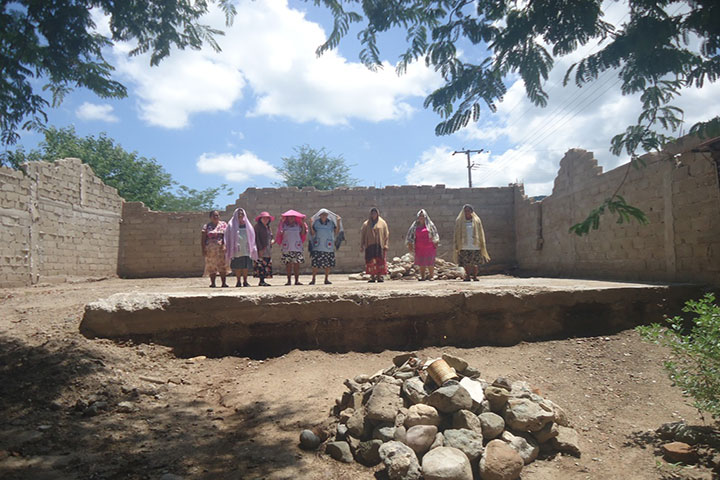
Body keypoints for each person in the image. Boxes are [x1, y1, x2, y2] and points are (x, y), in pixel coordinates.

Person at [453, 204, 491, 281]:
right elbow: (456, 233)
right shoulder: (459, 221)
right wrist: (457, 243)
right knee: (466, 263)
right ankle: (467, 276)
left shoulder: (477, 220)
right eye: (465, 211)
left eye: (469, 210)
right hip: (464, 245)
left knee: (475, 263)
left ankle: (475, 276)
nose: (467, 212)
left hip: (475, 245)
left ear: (472, 211)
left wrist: (481, 243)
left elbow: (481, 232)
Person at [224, 208, 258, 287]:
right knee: (238, 266)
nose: (240, 215)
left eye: (242, 214)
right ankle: (238, 281)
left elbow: (252, 236)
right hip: (236, 249)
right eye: (238, 213)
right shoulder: (231, 225)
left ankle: (245, 281)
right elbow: (227, 236)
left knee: (245, 266)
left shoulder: (247, 225)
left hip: (246, 248)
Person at [309, 208, 342, 285]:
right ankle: (313, 279)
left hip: (328, 247)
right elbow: (313, 233)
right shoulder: (316, 223)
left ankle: (326, 279)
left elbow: (336, 232)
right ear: (319, 215)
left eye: (325, 215)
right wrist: (310, 224)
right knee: (315, 264)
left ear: (327, 215)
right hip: (318, 246)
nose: (324, 216)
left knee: (328, 265)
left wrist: (338, 222)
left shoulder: (331, 223)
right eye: (322, 215)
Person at [275, 210, 308, 285]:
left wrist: (303, 224)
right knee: (288, 265)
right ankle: (289, 280)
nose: (291, 218)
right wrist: (281, 223)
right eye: (289, 217)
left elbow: (303, 233)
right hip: (287, 247)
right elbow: (280, 233)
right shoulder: (284, 225)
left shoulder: (298, 225)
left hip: (297, 247)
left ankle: (296, 280)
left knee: (297, 264)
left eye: (293, 217)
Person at [406, 209, 439, 281]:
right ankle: (422, 276)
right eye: (420, 216)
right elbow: (410, 235)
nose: (421, 217)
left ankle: (431, 276)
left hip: (429, 247)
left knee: (430, 261)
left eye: (423, 216)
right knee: (421, 262)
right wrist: (410, 244)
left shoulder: (430, 225)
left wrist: (436, 241)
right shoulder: (415, 225)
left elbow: (435, 233)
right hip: (419, 247)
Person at [360, 207, 389, 283]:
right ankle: (372, 276)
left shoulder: (382, 223)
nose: (373, 215)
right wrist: (362, 245)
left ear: (377, 214)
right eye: (372, 213)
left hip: (379, 245)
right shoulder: (366, 224)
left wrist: (386, 244)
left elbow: (386, 234)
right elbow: (363, 235)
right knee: (371, 261)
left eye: (375, 213)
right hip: (369, 245)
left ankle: (379, 276)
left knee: (380, 261)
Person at [201, 210, 229, 288]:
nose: (216, 217)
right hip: (210, 250)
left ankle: (224, 283)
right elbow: (203, 238)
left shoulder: (223, 225)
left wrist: (225, 245)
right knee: (211, 266)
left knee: (222, 265)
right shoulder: (207, 226)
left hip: (221, 249)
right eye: (214, 215)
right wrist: (203, 249)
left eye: (217, 215)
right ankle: (213, 283)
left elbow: (226, 236)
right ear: (210, 217)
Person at [253, 211, 275, 286]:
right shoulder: (257, 227)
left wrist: (272, 240)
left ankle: (263, 280)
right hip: (261, 248)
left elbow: (271, 236)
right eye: (264, 218)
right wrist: (260, 249)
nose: (266, 220)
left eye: (267, 218)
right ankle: (261, 280)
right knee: (261, 264)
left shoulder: (268, 227)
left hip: (267, 248)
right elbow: (256, 238)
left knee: (266, 263)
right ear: (260, 219)